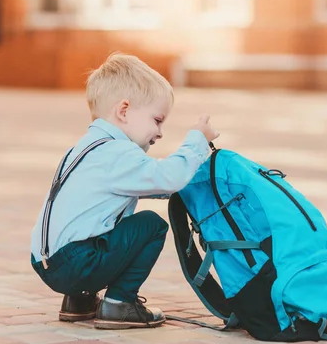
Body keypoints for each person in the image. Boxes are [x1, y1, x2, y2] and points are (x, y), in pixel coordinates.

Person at [30, 53, 219, 329]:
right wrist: (197, 141)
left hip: (47, 263)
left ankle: (79, 301)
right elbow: (167, 178)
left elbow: (138, 187)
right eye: (157, 120)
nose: (160, 133)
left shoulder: (86, 147)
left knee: (99, 228)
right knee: (151, 225)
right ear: (123, 111)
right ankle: (120, 303)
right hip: (77, 263)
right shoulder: (117, 152)